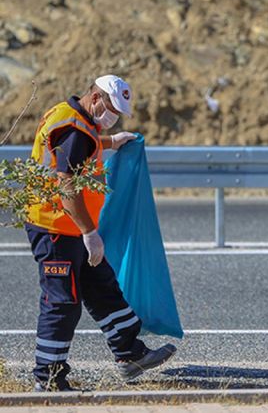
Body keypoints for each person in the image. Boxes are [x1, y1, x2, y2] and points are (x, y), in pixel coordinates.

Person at [24, 75, 176, 392]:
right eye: (110, 109)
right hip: (56, 227)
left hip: (70, 227)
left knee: (102, 286)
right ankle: (48, 379)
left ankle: (130, 355)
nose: (111, 118)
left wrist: (109, 141)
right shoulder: (76, 128)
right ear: (95, 97)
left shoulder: (72, 117)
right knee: (62, 303)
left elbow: (69, 151)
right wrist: (89, 232)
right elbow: (67, 183)